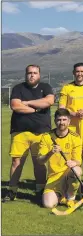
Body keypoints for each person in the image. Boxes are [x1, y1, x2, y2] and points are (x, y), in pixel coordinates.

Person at [3, 64, 54, 202]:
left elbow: (49, 101)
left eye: (35, 73)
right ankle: (12, 190)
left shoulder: (46, 87)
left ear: (39, 74)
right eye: (29, 73)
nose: (32, 75)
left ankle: (40, 190)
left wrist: (27, 103)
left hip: (41, 132)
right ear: (26, 74)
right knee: (16, 162)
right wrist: (36, 109)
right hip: (20, 132)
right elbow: (15, 106)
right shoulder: (18, 88)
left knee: (39, 163)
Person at [38, 108, 82, 208]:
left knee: (77, 170)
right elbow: (40, 161)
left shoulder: (75, 137)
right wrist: (50, 153)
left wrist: (73, 163)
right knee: (48, 205)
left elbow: (78, 161)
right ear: (55, 121)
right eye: (59, 120)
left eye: (64, 120)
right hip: (53, 178)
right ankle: (61, 195)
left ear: (69, 121)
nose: (61, 122)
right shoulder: (46, 136)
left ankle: (70, 197)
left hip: (68, 175)